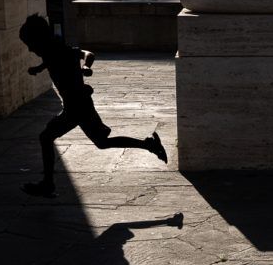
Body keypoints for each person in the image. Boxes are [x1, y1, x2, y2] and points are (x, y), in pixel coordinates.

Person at [18, 14, 167, 198]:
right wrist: (39, 68)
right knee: (102, 142)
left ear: (40, 39)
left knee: (46, 137)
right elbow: (50, 61)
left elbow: (88, 54)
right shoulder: (51, 52)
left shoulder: (60, 50)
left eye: (31, 44)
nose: (30, 49)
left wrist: (86, 67)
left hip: (77, 106)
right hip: (78, 104)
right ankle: (148, 144)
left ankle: (48, 184)